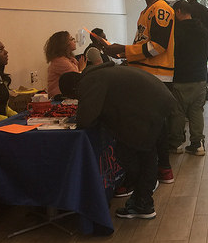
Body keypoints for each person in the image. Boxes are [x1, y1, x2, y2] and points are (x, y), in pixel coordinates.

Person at [60, 64, 178, 219]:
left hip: (148, 109)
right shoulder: (102, 72)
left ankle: (143, 201)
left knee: (131, 153)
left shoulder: (90, 80)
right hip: (158, 101)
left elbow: (85, 119)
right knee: (146, 153)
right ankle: (143, 201)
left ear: (74, 89)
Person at [100, 0, 179, 184]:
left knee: (151, 128)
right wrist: (126, 56)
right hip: (145, 75)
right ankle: (160, 170)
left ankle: (156, 172)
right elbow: (145, 46)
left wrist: (124, 50)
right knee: (153, 127)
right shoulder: (146, 12)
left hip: (157, 77)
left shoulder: (161, 9)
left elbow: (158, 47)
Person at [170, 0, 208, 156]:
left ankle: (177, 143)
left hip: (180, 76)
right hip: (200, 76)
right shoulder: (203, 30)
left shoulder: (176, 30)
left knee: (178, 112)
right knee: (196, 111)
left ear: (179, 11)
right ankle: (198, 144)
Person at [185, 0, 208, 101]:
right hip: (202, 42)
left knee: (188, 66)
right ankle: (205, 92)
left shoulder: (186, 9)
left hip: (187, 43)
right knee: (203, 66)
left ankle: (190, 92)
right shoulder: (203, 9)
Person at [44, 31, 86, 99]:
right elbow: (75, 80)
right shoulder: (60, 61)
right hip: (59, 98)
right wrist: (81, 69)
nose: (74, 41)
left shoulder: (70, 59)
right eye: (71, 39)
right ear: (64, 44)